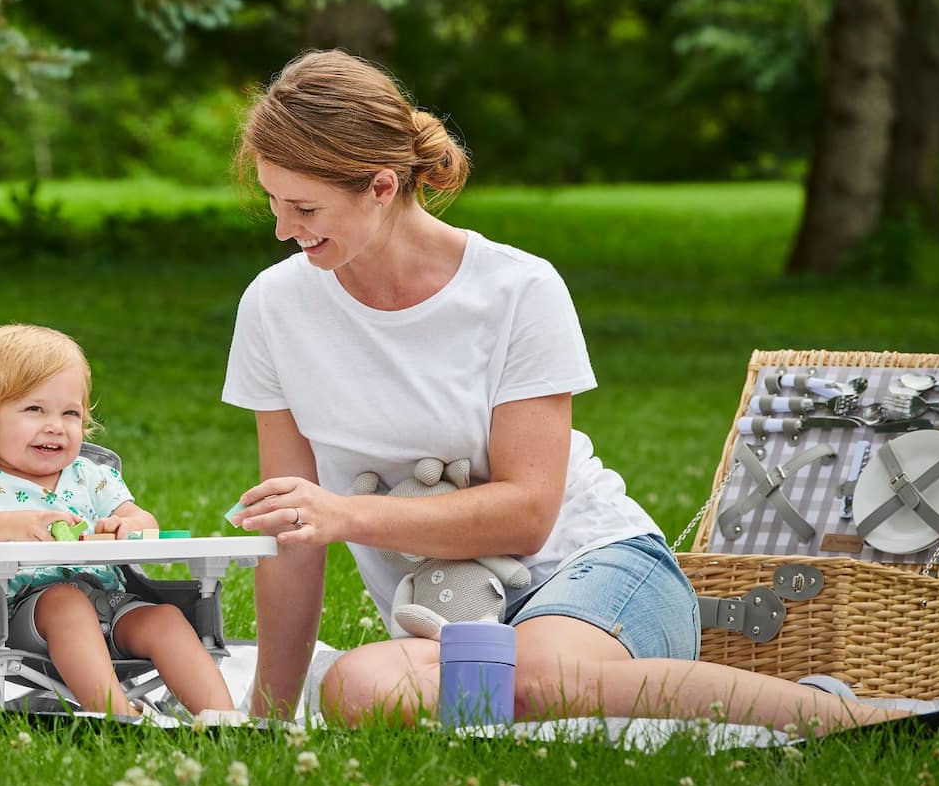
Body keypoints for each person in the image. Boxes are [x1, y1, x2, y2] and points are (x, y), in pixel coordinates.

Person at [224, 50, 904, 732]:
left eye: (304, 206)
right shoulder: (274, 307)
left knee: (537, 683)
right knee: (356, 690)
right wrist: (264, 722)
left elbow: (527, 513)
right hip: (453, 614)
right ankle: (633, 693)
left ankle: (839, 715)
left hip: (590, 568)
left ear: (379, 186)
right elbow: (295, 533)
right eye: (274, 203)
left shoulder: (517, 290)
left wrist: (347, 515)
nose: (284, 230)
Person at [0, 323, 238, 719]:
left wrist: (131, 527)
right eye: (34, 409)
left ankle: (226, 721)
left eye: (70, 412)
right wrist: (7, 526)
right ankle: (120, 716)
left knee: (165, 618)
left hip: (113, 603)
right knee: (65, 602)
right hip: (15, 614)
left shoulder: (91, 476)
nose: (55, 425)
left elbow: (140, 518)